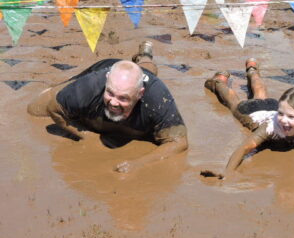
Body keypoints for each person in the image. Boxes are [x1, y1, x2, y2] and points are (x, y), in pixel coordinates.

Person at [28, 41, 188, 173]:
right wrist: (89, 138)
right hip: (103, 67)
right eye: (110, 94)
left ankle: (145, 56)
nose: (113, 102)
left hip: (145, 79)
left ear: (140, 94)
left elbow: (178, 142)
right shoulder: (92, 85)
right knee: (34, 109)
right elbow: (53, 107)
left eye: (123, 98)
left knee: (147, 71)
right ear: (106, 82)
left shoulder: (157, 99)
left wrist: (137, 164)